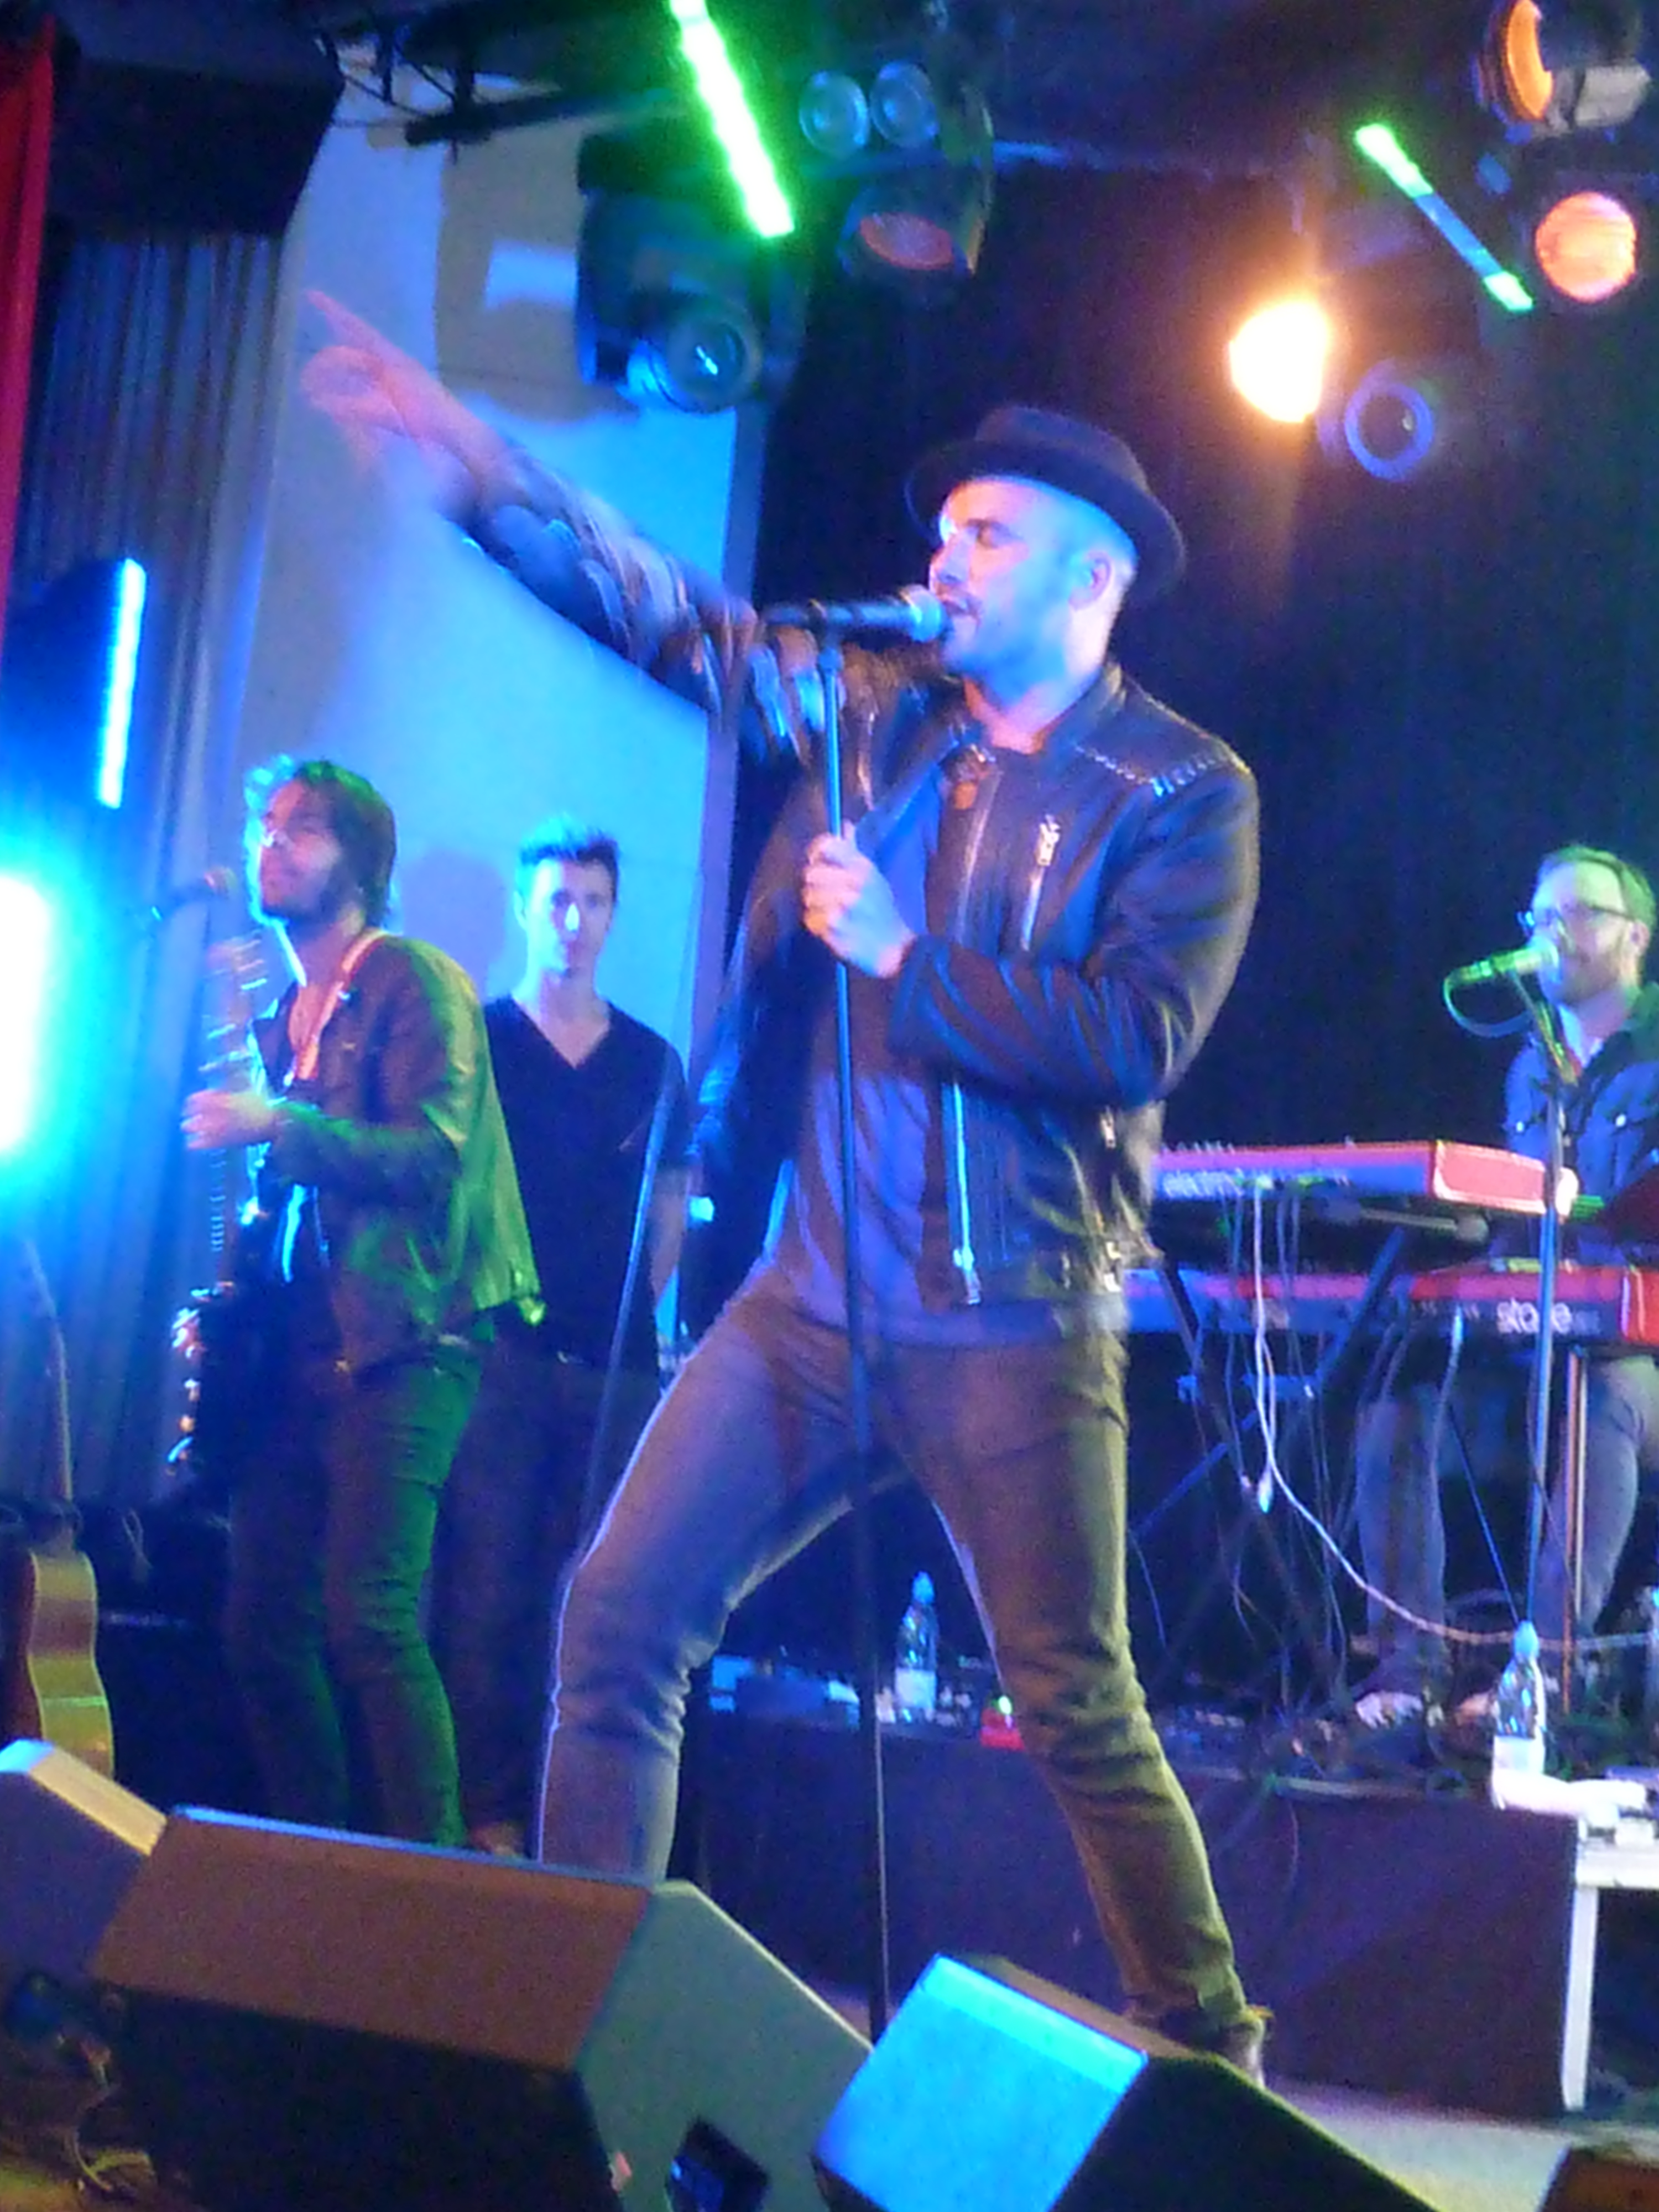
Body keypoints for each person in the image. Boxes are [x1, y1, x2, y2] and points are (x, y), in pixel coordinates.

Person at [301, 299, 1266, 2073]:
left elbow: (1138, 1035)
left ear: (1096, 575)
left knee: (1073, 1700)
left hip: (1013, 1318)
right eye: (945, 530)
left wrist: (903, 956)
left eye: (989, 534)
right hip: (811, 1301)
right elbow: (683, 623)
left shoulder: (1181, 788)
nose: (945, 558)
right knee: (619, 1618)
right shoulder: (874, 711)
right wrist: (490, 480)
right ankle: (581, 2039)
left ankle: (1209, 2050)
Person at [182, 757, 539, 1845]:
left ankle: (431, 1885)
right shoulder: (290, 1009)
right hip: (301, 1343)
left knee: (372, 1621)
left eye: (303, 829)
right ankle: (318, 1863)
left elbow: (431, 1154)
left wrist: (275, 1123)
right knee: (262, 1628)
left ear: (361, 861)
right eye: (266, 825)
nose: (272, 844)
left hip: (409, 1334)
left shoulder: (413, 979)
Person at [431, 816, 690, 1858]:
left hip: (614, 1369)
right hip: (502, 1360)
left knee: (591, 1601)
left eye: (592, 903)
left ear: (613, 917)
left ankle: (565, 1826)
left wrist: (629, 1316)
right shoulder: (483, 1042)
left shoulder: (652, 1062)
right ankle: (486, 1818)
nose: (574, 922)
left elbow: (670, 1210)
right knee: (485, 1592)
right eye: (558, 903)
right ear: (525, 911)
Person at [1355, 843, 1659, 1724]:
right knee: (1397, 1403)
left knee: (1603, 1394)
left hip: (1639, 1365)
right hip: (1538, 1354)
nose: (1553, 933)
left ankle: (1548, 1675)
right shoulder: (1530, 1064)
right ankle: (1407, 1675)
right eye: (1541, 917)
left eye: (1580, 913)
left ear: (1635, 935)